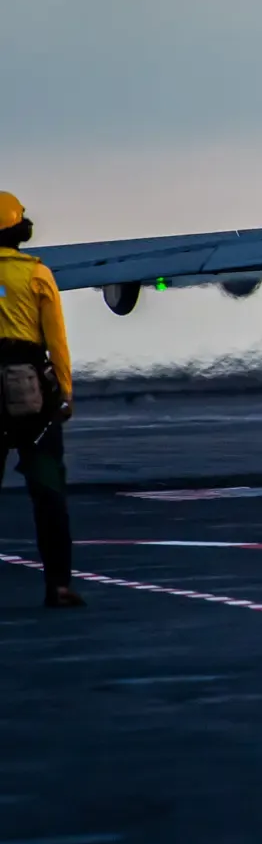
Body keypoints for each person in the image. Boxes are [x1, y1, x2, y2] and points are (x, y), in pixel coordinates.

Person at [0, 193, 80, 608]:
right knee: (48, 491)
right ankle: (59, 585)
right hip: (31, 391)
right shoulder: (36, 274)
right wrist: (64, 392)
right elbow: (57, 341)